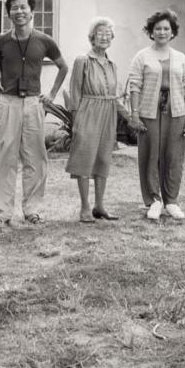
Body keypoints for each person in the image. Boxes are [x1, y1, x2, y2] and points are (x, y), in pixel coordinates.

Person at [0, 0, 68, 227]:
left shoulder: (44, 41)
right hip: (8, 103)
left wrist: (52, 94)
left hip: (34, 103)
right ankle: (2, 213)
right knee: (7, 157)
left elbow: (63, 67)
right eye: (14, 8)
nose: (19, 11)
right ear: (9, 13)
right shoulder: (1, 41)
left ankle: (32, 210)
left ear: (31, 11)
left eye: (23, 7)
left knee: (36, 158)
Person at [127, 10, 185, 220]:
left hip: (176, 112)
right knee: (150, 155)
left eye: (166, 28)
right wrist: (135, 114)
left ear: (172, 32)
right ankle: (154, 200)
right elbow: (135, 86)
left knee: (174, 156)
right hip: (149, 112)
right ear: (151, 31)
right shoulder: (142, 56)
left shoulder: (181, 58)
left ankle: (172, 201)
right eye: (158, 28)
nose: (162, 32)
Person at [65, 18, 134, 223]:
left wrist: (130, 118)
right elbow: (75, 91)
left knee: (103, 159)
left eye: (108, 33)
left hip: (108, 114)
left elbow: (114, 96)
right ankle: (85, 207)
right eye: (100, 33)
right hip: (88, 111)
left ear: (112, 38)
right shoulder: (82, 61)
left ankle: (99, 206)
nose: (104, 37)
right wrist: (76, 121)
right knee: (85, 159)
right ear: (92, 37)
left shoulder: (112, 65)